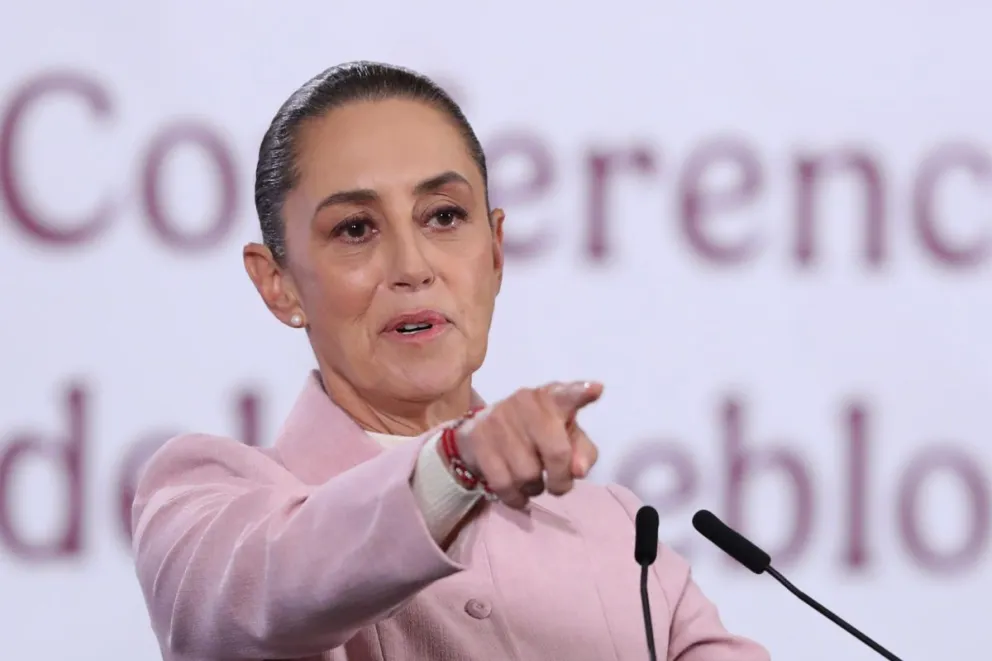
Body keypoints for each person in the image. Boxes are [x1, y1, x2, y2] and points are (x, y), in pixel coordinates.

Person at [131, 61, 770, 661]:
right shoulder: (205, 498)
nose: (412, 268)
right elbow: (273, 586)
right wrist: (460, 464)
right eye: (355, 228)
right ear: (279, 284)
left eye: (443, 216)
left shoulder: (624, 537)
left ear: (494, 251)